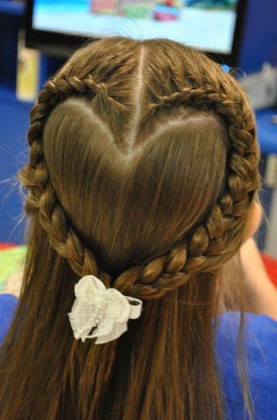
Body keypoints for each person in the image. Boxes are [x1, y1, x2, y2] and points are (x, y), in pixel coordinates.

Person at [0, 36, 276, 419]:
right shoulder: (260, 362)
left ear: (40, 203)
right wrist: (256, 281)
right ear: (246, 221)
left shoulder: (6, 327)